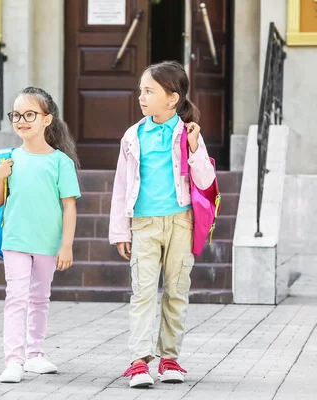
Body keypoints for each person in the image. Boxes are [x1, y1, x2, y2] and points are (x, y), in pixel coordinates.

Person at [108, 61, 215, 388]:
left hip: (181, 222)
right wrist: (119, 231)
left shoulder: (188, 133)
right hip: (143, 224)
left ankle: (170, 358)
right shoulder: (133, 135)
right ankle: (139, 361)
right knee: (142, 292)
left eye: (149, 91)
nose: (141, 96)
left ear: (172, 98)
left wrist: (195, 149)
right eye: (141, 90)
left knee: (176, 291)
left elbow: (206, 181)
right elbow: (121, 185)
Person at [0, 87, 81, 383]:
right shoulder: (8, 158)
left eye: (29, 114)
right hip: (15, 240)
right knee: (16, 297)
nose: (21, 120)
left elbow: (69, 207)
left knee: (40, 298)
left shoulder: (60, 162)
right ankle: (14, 359)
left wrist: (66, 245)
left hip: (47, 243)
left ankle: (35, 354)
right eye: (16, 115)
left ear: (47, 119)